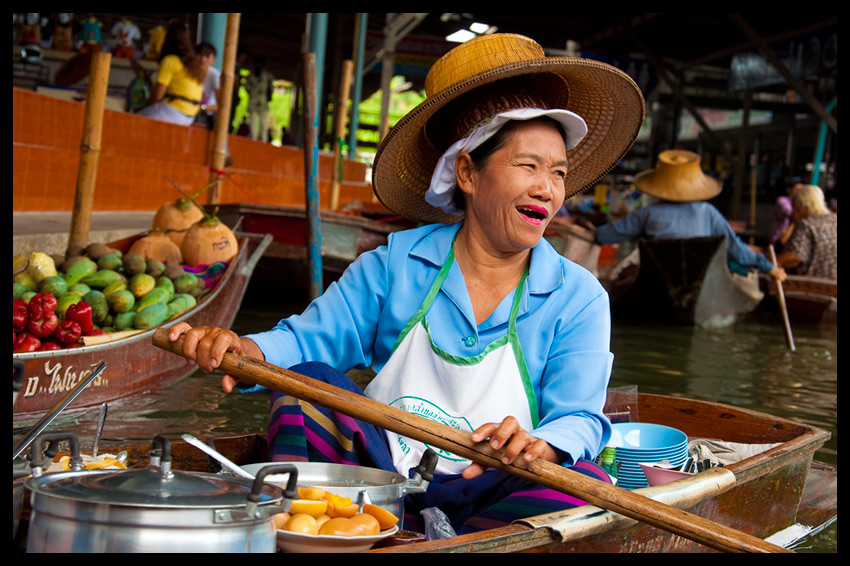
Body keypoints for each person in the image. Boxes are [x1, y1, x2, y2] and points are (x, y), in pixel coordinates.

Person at [167, 33, 645, 534]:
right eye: (528, 166)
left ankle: (452, 541)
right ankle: (317, 527)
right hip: (376, 478)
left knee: (582, 481)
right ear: (467, 172)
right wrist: (242, 349)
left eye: (559, 172)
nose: (547, 189)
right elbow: (306, 340)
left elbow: (581, 419)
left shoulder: (578, 296)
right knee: (302, 390)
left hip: (493, 483)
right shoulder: (396, 263)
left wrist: (542, 444)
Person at [593, 149, 787, 282]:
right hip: (700, 277)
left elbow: (604, 236)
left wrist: (589, 229)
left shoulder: (647, 214)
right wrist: (769, 268)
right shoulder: (708, 212)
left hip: (659, 278)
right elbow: (736, 250)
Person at [137, 20, 208, 126]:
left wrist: (143, 109)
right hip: (190, 116)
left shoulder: (170, 60)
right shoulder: (195, 64)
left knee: (135, 119)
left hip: (172, 111)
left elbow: (157, 96)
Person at [776, 184, 837, 280]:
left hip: (812, 285)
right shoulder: (834, 220)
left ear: (803, 207)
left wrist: (769, 263)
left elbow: (795, 257)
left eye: (795, 207)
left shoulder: (806, 225)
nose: (793, 212)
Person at [768, 176, 804, 250]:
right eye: (797, 189)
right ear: (789, 190)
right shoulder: (782, 201)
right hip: (778, 240)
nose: (799, 193)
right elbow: (791, 214)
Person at [245, 55, 274, 142]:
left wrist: (269, 97)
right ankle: (254, 140)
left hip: (262, 101)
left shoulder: (267, 75)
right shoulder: (251, 75)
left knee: (263, 123)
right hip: (254, 101)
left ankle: (263, 141)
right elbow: (246, 87)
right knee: (253, 122)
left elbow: (270, 88)